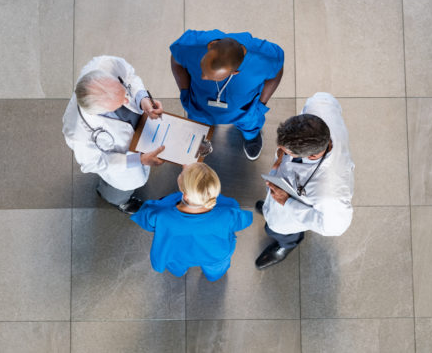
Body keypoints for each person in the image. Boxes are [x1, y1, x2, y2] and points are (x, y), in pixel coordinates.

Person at [255, 92, 355, 269]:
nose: (280, 151)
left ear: (314, 155)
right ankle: (270, 208)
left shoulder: (330, 193)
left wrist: (287, 203)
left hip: (291, 212)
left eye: (287, 152)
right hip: (284, 186)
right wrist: (280, 158)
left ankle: (287, 244)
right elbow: (327, 99)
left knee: (277, 228)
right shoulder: (320, 104)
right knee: (271, 208)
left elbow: (334, 227)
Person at [62, 55, 165, 214]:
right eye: (120, 102)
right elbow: (95, 163)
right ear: (101, 111)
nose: (126, 100)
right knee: (121, 190)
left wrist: (143, 99)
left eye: (124, 93)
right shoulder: (77, 132)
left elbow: (129, 76)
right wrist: (138, 159)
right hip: (123, 165)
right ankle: (117, 201)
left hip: (138, 129)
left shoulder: (104, 65)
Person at [169, 29, 284, 161]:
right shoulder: (189, 46)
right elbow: (175, 60)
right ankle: (200, 133)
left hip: (244, 110)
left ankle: (251, 136)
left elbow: (277, 71)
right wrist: (184, 90)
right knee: (198, 124)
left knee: (250, 124)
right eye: (203, 67)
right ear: (210, 45)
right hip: (199, 104)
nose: (203, 77)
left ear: (234, 72)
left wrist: (261, 104)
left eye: (212, 77)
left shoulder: (265, 58)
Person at [130, 163, 253, 281]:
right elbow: (245, 221)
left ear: (185, 195)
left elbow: (144, 219)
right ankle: (213, 276)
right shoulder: (228, 211)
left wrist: (187, 172)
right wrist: (189, 175)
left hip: (177, 253)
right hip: (214, 254)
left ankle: (180, 272)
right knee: (215, 269)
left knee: (176, 265)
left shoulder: (161, 213)